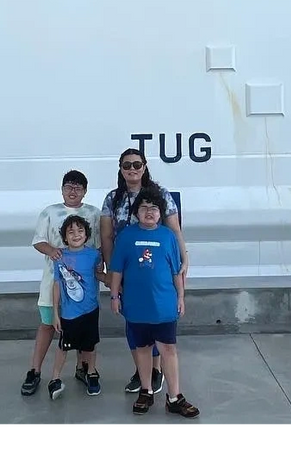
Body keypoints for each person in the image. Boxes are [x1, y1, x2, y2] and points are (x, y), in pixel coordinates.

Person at [100, 148, 188, 395]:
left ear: (145, 166)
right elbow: (107, 236)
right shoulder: (112, 198)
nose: (132, 169)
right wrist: (110, 270)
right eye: (126, 165)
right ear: (120, 168)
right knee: (135, 324)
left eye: (137, 164)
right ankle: (142, 372)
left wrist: (184, 258)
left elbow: (175, 230)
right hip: (128, 269)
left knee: (158, 319)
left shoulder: (160, 194)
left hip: (156, 269)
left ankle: (157, 371)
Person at [108, 188, 200, 418]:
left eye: (154, 208)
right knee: (142, 349)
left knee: (168, 349)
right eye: (144, 208)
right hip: (136, 306)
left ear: (161, 213)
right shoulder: (126, 236)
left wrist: (180, 296)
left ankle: (174, 397)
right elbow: (117, 270)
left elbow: (176, 271)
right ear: (136, 212)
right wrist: (114, 296)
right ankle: (146, 390)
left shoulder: (168, 237)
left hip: (164, 305)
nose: (149, 212)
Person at [21, 170, 102, 396]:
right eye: (69, 186)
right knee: (48, 324)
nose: (73, 191)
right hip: (54, 281)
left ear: (85, 191)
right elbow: (39, 241)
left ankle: (83, 369)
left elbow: (99, 245)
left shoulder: (94, 213)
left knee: (83, 329)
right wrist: (54, 251)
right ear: (62, 189)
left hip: (84, 285)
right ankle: (35, 371)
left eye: (78, 187)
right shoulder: (50, 212)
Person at [47, 214, 107, 399]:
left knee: (90, 345)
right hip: (68, 313)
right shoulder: (59, 256)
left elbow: (99, 274)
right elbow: (57, 284)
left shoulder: (94, 255)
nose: (75, 234)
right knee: (64, 346)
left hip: (90, 309)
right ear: (64, 236)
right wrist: (55, 313)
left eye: (80, 230)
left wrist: (115, 282)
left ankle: (91, 373)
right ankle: (55, 378)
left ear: (87, 234)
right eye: (70, 231)